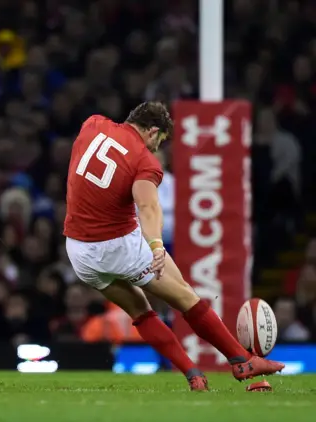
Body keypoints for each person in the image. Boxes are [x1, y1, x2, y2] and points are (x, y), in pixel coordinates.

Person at [63, 102, 284, 391]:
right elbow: (148, 206)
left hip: (78, 251)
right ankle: (242, 360)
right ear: (152, 131)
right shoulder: (144, 160)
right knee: (185, 298)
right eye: (160, 141)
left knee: (140, 311)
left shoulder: (93, 123)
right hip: (117, 246)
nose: (157, 148)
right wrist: (156, 244)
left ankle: (193, 374)